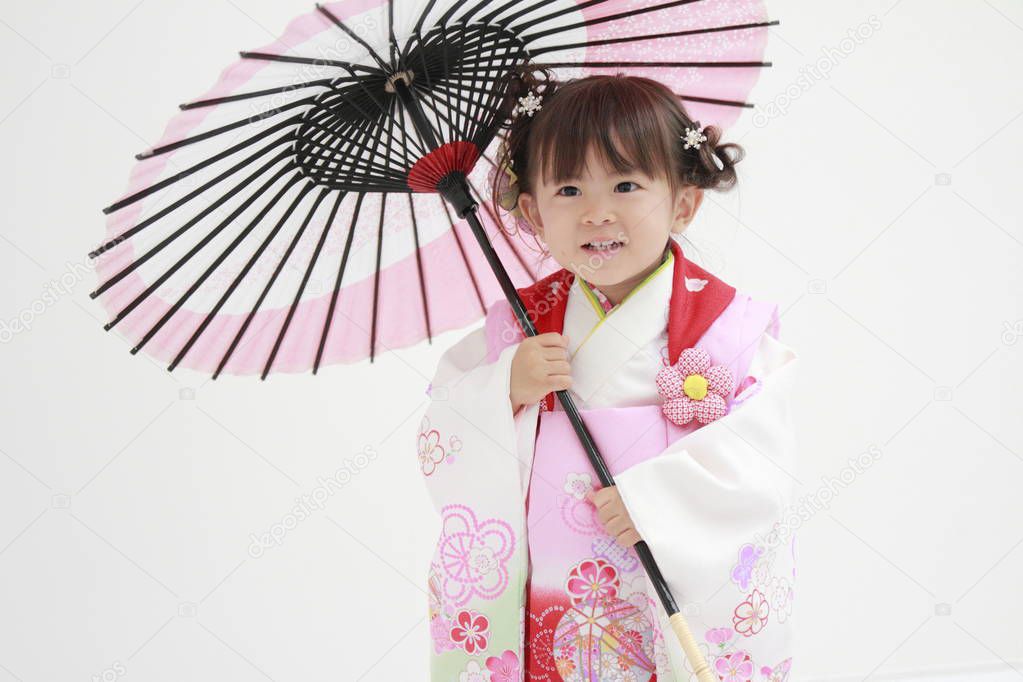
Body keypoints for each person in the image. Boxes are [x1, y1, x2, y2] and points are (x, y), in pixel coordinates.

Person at [418, 66, 800, 681]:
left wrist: (657, 502)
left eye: (625, 185)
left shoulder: (727, 329)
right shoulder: (517, 331)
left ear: (684, 202)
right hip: (553, 594)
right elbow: (443, 432)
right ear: (532, 213)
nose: (597, 213)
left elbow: (764, 461)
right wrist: (504, 389)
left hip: (659, 579)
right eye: (568, 191)